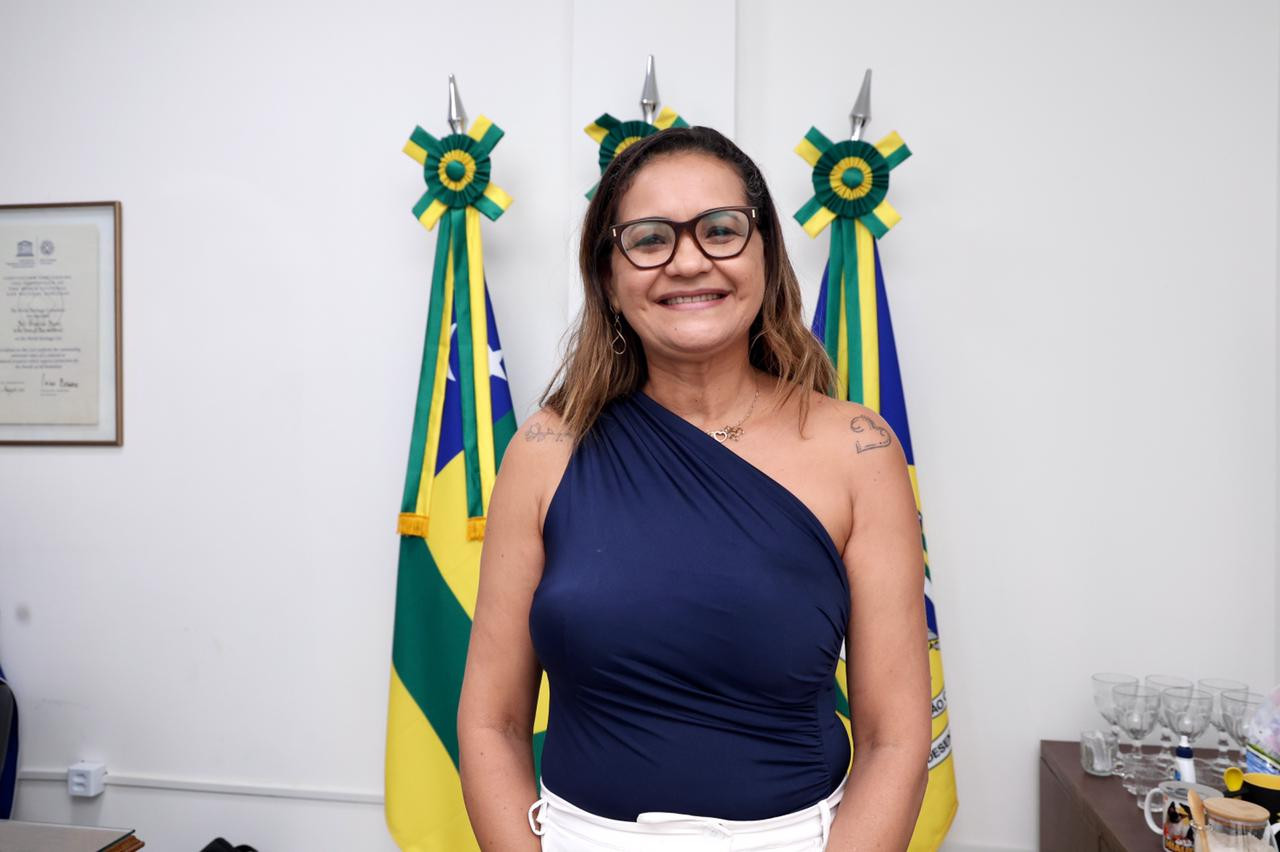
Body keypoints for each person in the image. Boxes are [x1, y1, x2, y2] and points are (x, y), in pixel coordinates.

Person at [457, 125, 931, 851]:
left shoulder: (859, 450)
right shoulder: (545, 451)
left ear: (765, 254)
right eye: (650, 239)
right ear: (609, 278)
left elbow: (894, 740)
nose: (687, 261)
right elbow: (493, 721)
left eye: (720, 230)